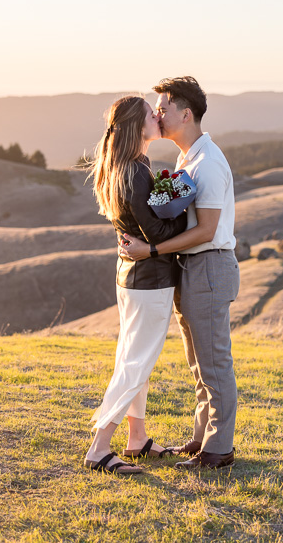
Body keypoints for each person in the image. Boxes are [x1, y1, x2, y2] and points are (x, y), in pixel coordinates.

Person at [120, 76, 240, 470]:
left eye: (164, 107)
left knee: (214, 361)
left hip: (208, 266)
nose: (157, 113)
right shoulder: (189, 159)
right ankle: (200, 438)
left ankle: (218, 451)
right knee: (197, 360)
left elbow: (205, 230)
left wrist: (150, 249)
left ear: (185, 114)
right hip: (191, 267)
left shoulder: (208, 163)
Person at [84, 94, 189, 475]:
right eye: (150, 113)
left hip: (131, 278)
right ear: (136, 126)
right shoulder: (135, 171)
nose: (157, 116)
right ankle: (99, 448)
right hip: (149, 280)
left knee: (134, 360)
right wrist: (185, 206)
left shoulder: (126, 166)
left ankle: (137, 439)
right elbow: (156, 231)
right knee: (135, 364)